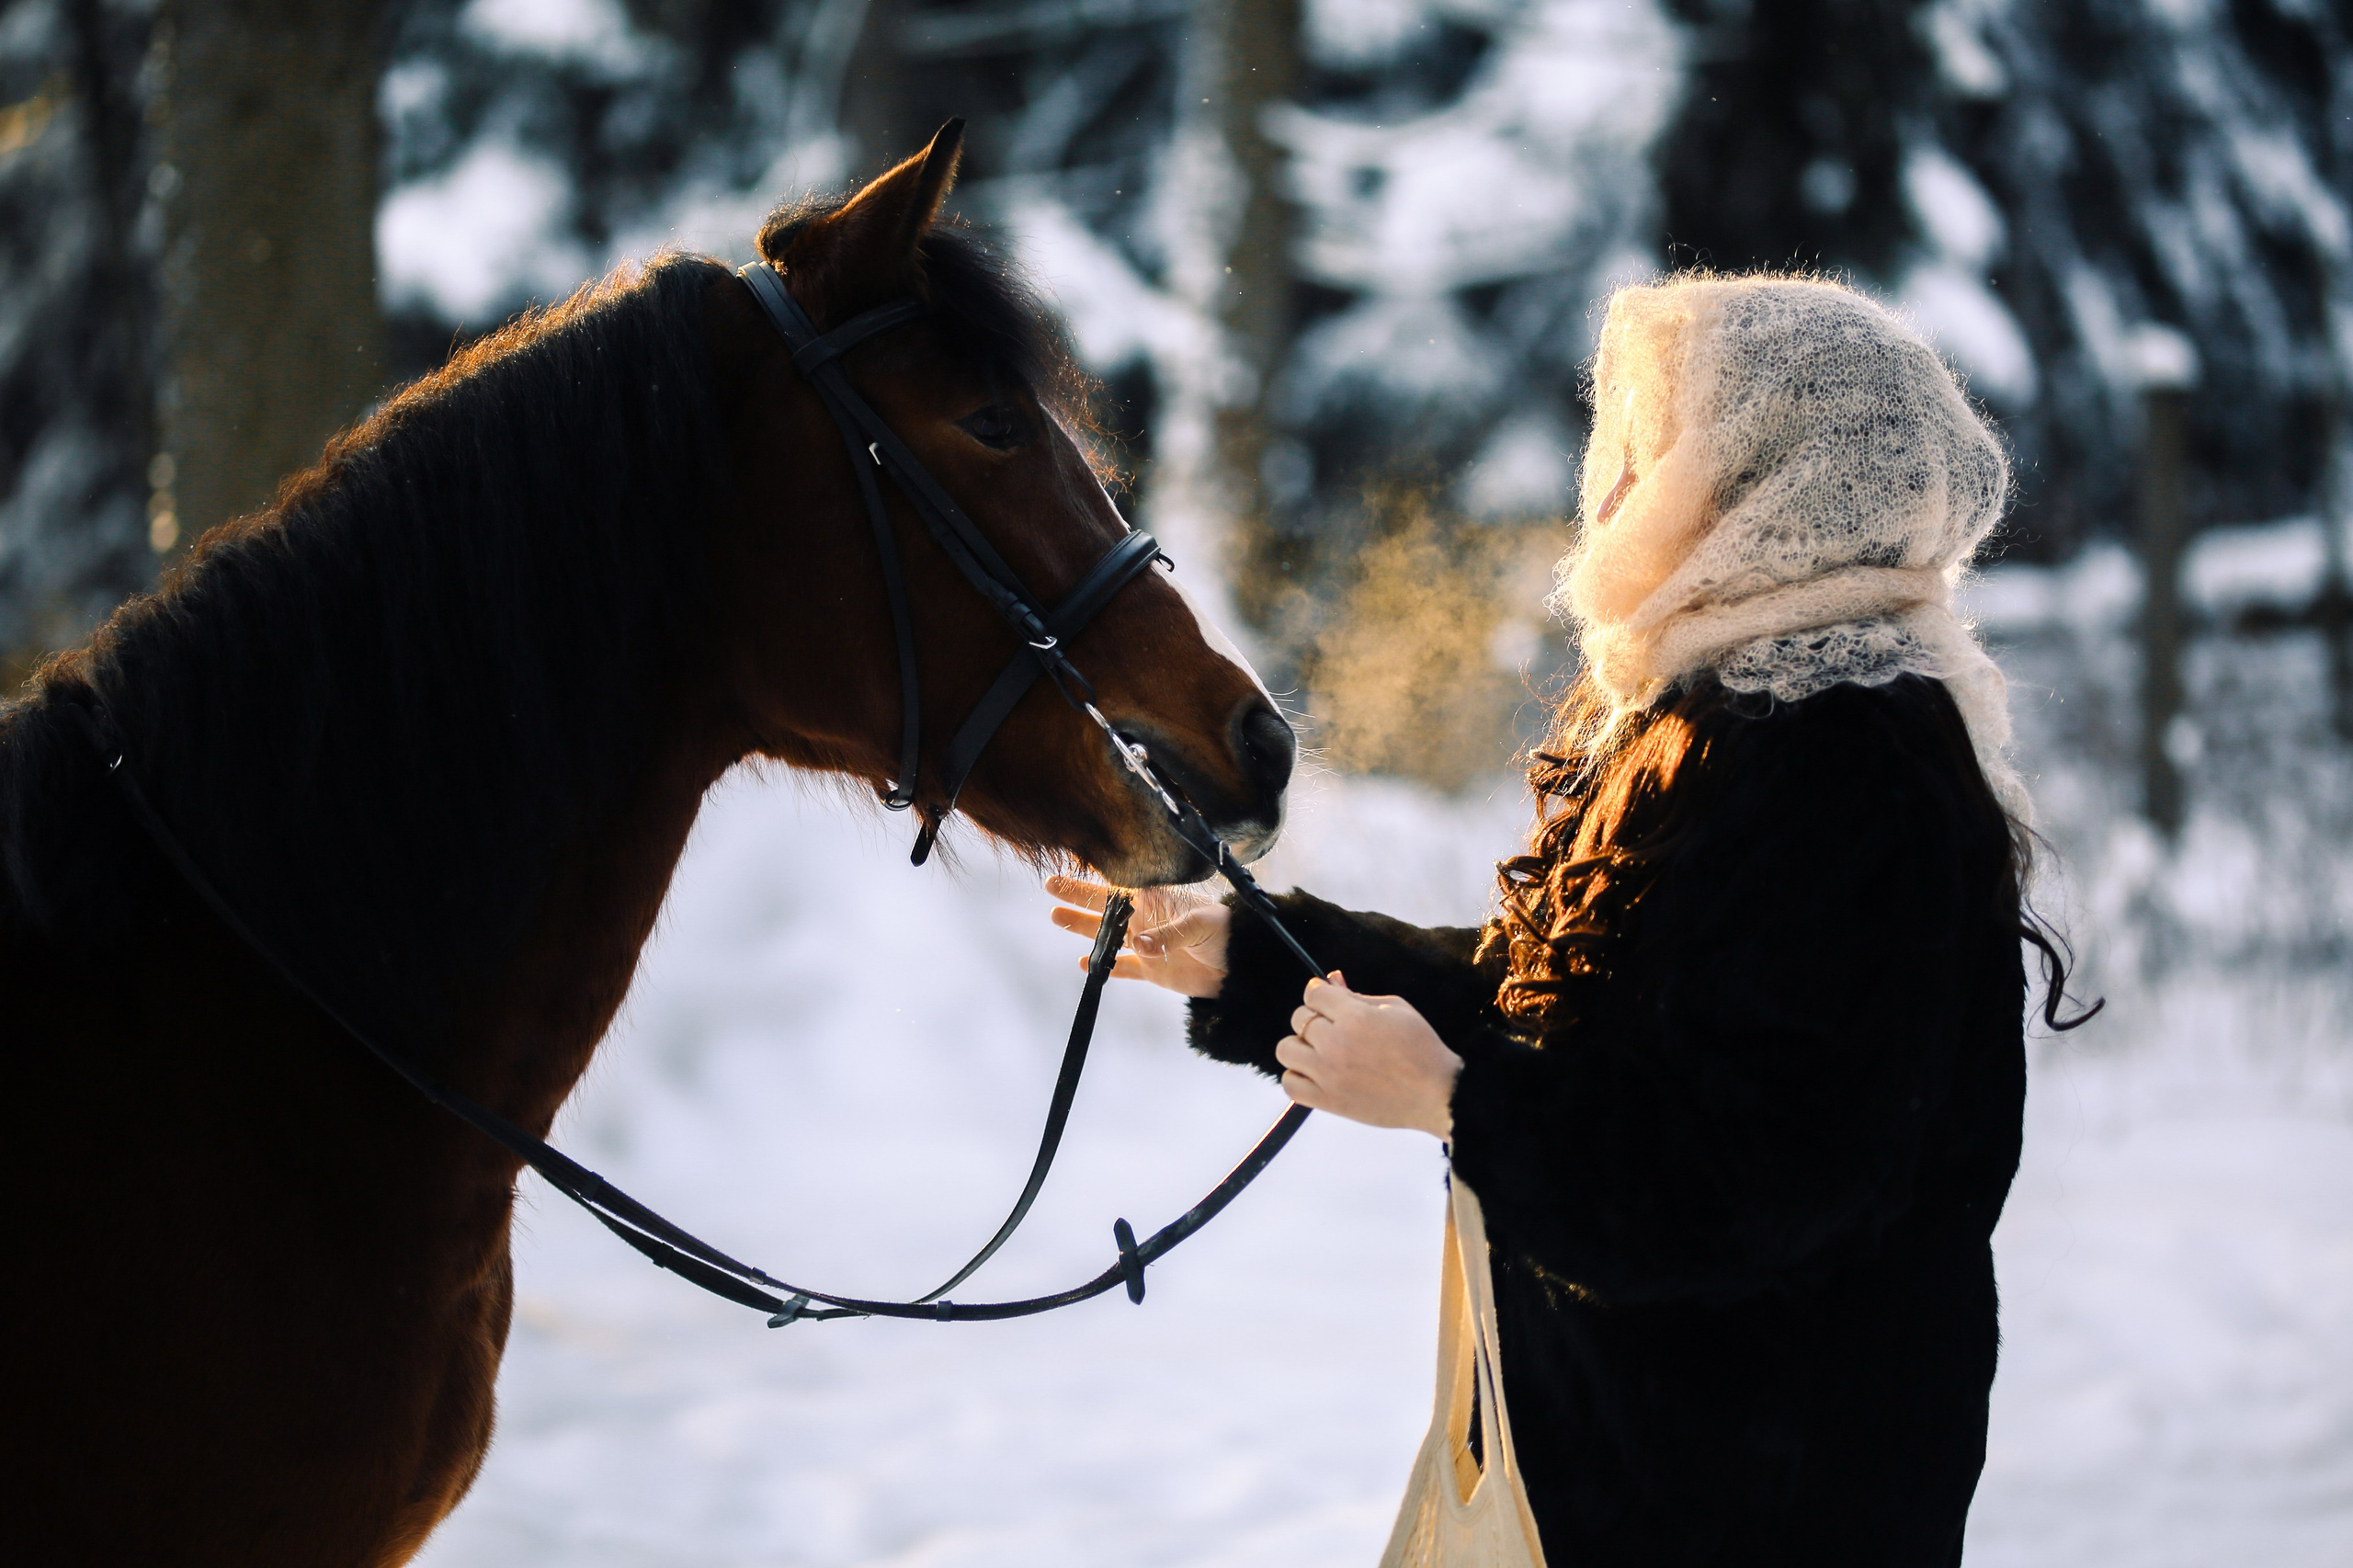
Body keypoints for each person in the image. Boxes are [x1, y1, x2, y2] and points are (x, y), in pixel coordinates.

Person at [1048, 274, 2094, 1566]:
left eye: (1661, 457)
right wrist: (1265, 958)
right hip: (1640, 1479)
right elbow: (1574, 1001)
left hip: (1767, 1505)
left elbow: (1745, 1183)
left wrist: (1455, 1101)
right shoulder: (1727, 709)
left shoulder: (1851, 758)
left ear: (1775, 488)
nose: (1613, 498)